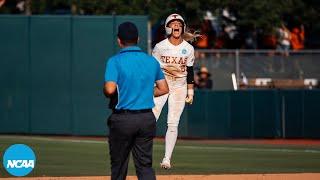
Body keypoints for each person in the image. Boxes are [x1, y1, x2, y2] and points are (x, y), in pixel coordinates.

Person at [104, 22, 169, 180]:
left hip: (123, 119)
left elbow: (110, 89)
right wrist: (145, 92)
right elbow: (164, 88)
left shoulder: (115, 61)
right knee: (144, 166)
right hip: (146, 118)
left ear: (119, 40)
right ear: (138, 39)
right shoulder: (151, 61)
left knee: (119, 166)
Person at [152, 13, 196, 169]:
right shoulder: (160, 47)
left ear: (183, 27)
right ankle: (141, 151)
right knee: (150, 119)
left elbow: (190, 72)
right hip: (162, 85)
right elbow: (153, 69)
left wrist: (190, 92)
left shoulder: (188, 48)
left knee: (173, 123)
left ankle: (166, 159)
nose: (176, 25)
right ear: (168, 27)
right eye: (173, 23)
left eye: (179, 23)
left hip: (179, 87)